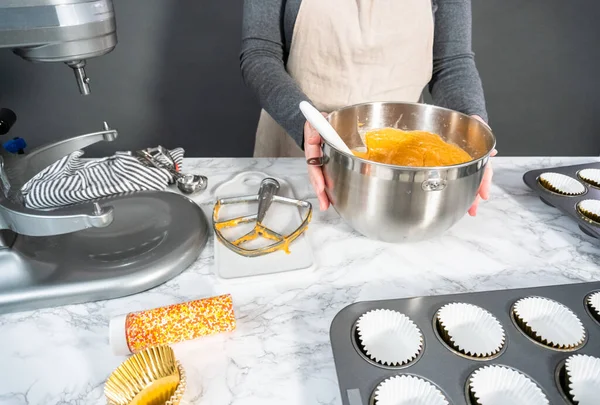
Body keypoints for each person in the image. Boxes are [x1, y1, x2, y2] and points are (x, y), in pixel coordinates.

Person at [240, 0, 496, 216]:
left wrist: (472, 131)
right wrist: (304, 122)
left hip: (407, 169)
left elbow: (451, 62)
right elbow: (260, 53)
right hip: (300, 147)